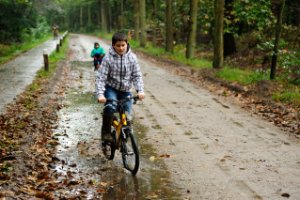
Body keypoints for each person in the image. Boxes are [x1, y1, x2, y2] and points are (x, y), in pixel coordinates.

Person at [95, 32, 145, 142]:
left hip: (125, 90)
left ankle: (125, 135)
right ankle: (106, 133)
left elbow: (137, 75)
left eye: (123, 45)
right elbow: (101, 77)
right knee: (110, 107)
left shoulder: (132, 58)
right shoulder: (108, 58)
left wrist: (140, 90)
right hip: (111, 89)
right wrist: (100, 94)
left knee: (128, 114)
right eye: (118, 45)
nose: (121, 48)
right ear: (113, 45)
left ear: (127, 44)